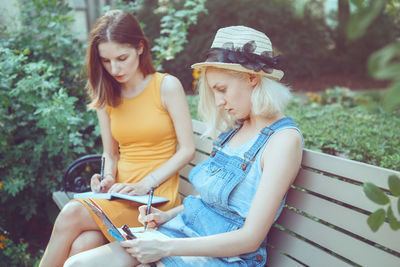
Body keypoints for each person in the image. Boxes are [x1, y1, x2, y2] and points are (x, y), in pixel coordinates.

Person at [63, 25, 303, 267]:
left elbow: (250, 239)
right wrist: (165, 216)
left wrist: (165, 247)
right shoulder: (236, 130)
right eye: (214, 91)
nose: (219, 102)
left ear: (253, 78)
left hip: (223, 258)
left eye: (222, 89)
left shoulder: (283, 141)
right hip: (182, 234)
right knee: (77, 263)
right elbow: (210, 197)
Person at [39, 9, 195, 267]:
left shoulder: (166, 86)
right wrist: (108, 177)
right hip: (118, 196)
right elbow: (110, 153)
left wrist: (145, 184)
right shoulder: (107, 93)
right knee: (81, 245)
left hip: (152, 203)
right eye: (106, 61)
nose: (115, 68)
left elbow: (187, 149)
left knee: (71, 213)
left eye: (122, 58)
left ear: (140, 48)